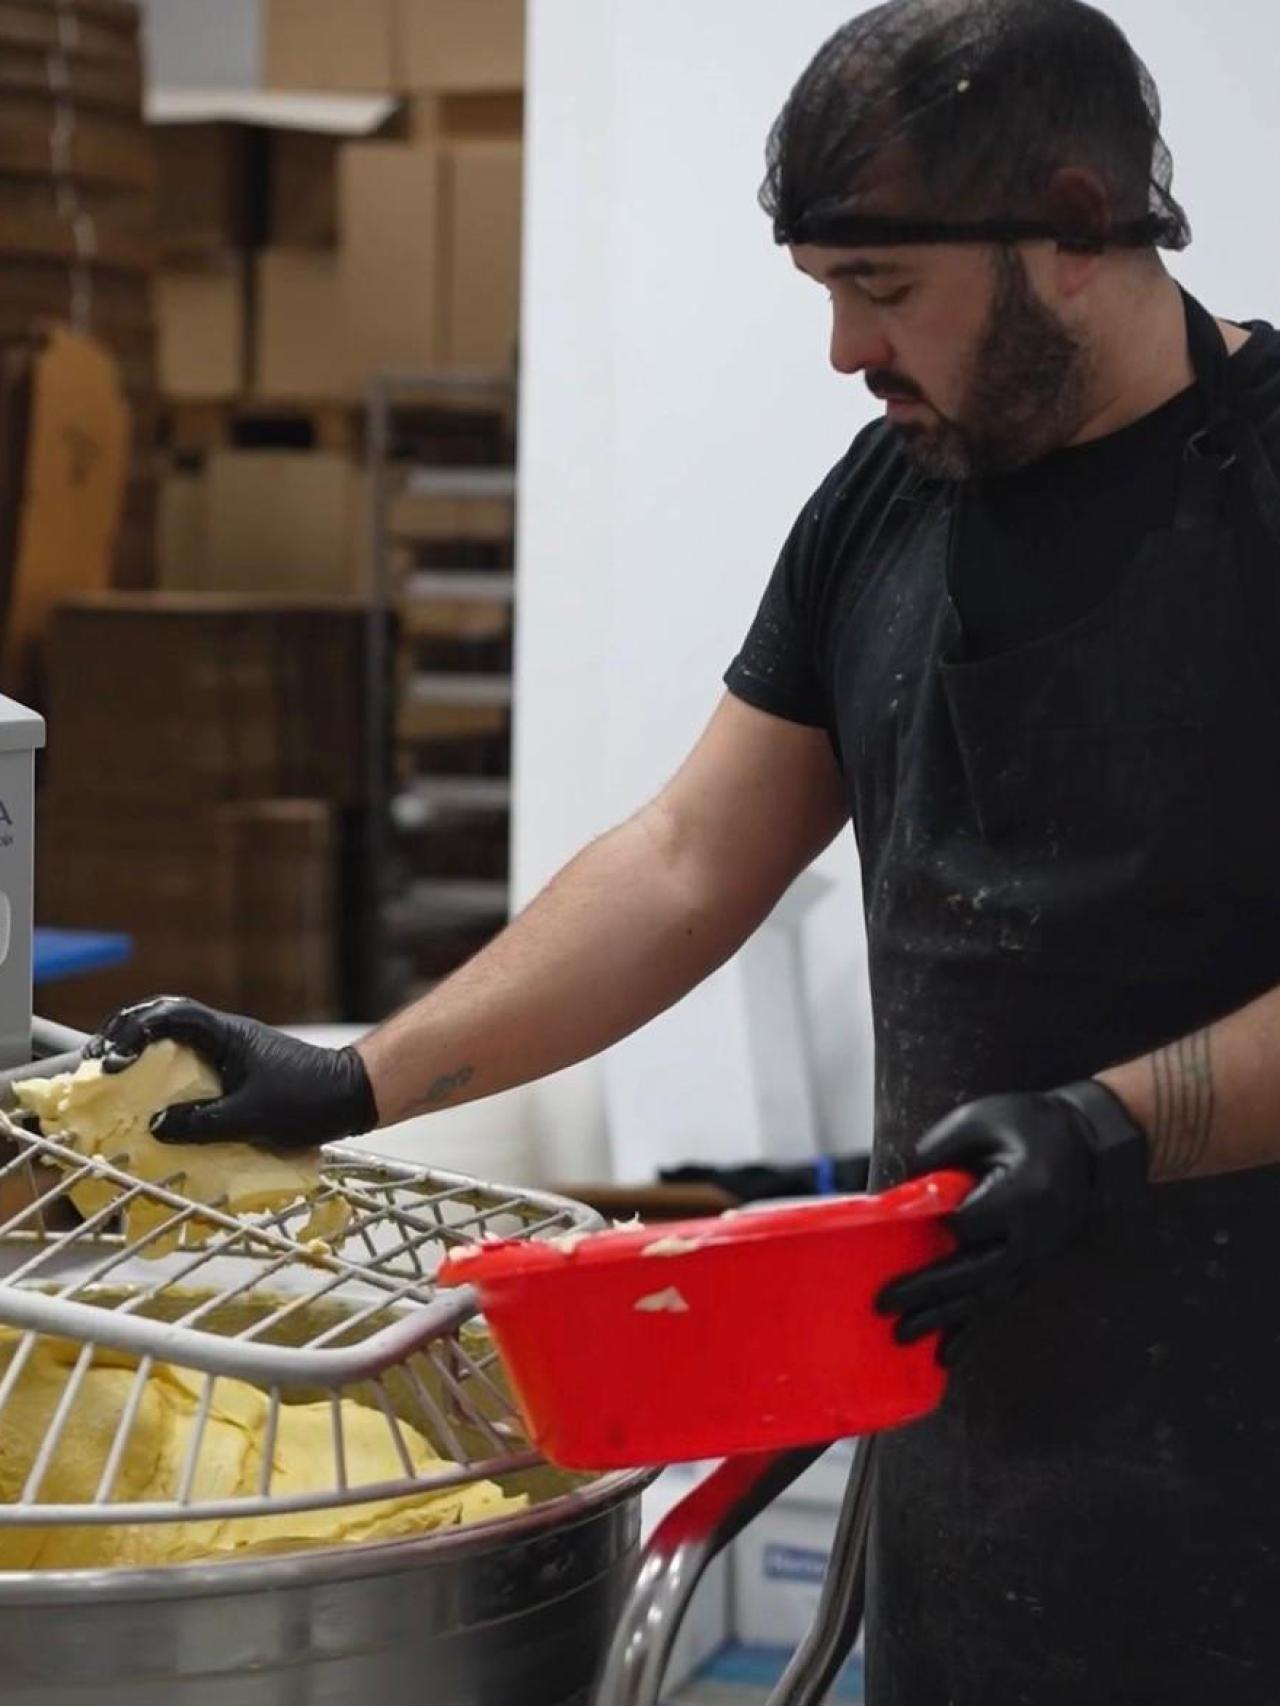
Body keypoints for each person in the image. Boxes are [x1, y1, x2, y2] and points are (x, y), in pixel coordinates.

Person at [89, 1, 1280, 1699]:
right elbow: (681, 862)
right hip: (971, 1433)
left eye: (881, 293)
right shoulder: (884, 504)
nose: (845, 356)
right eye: (824, 296)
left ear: (1074, 228)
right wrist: (358, 1078)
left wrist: (1108, 1124)